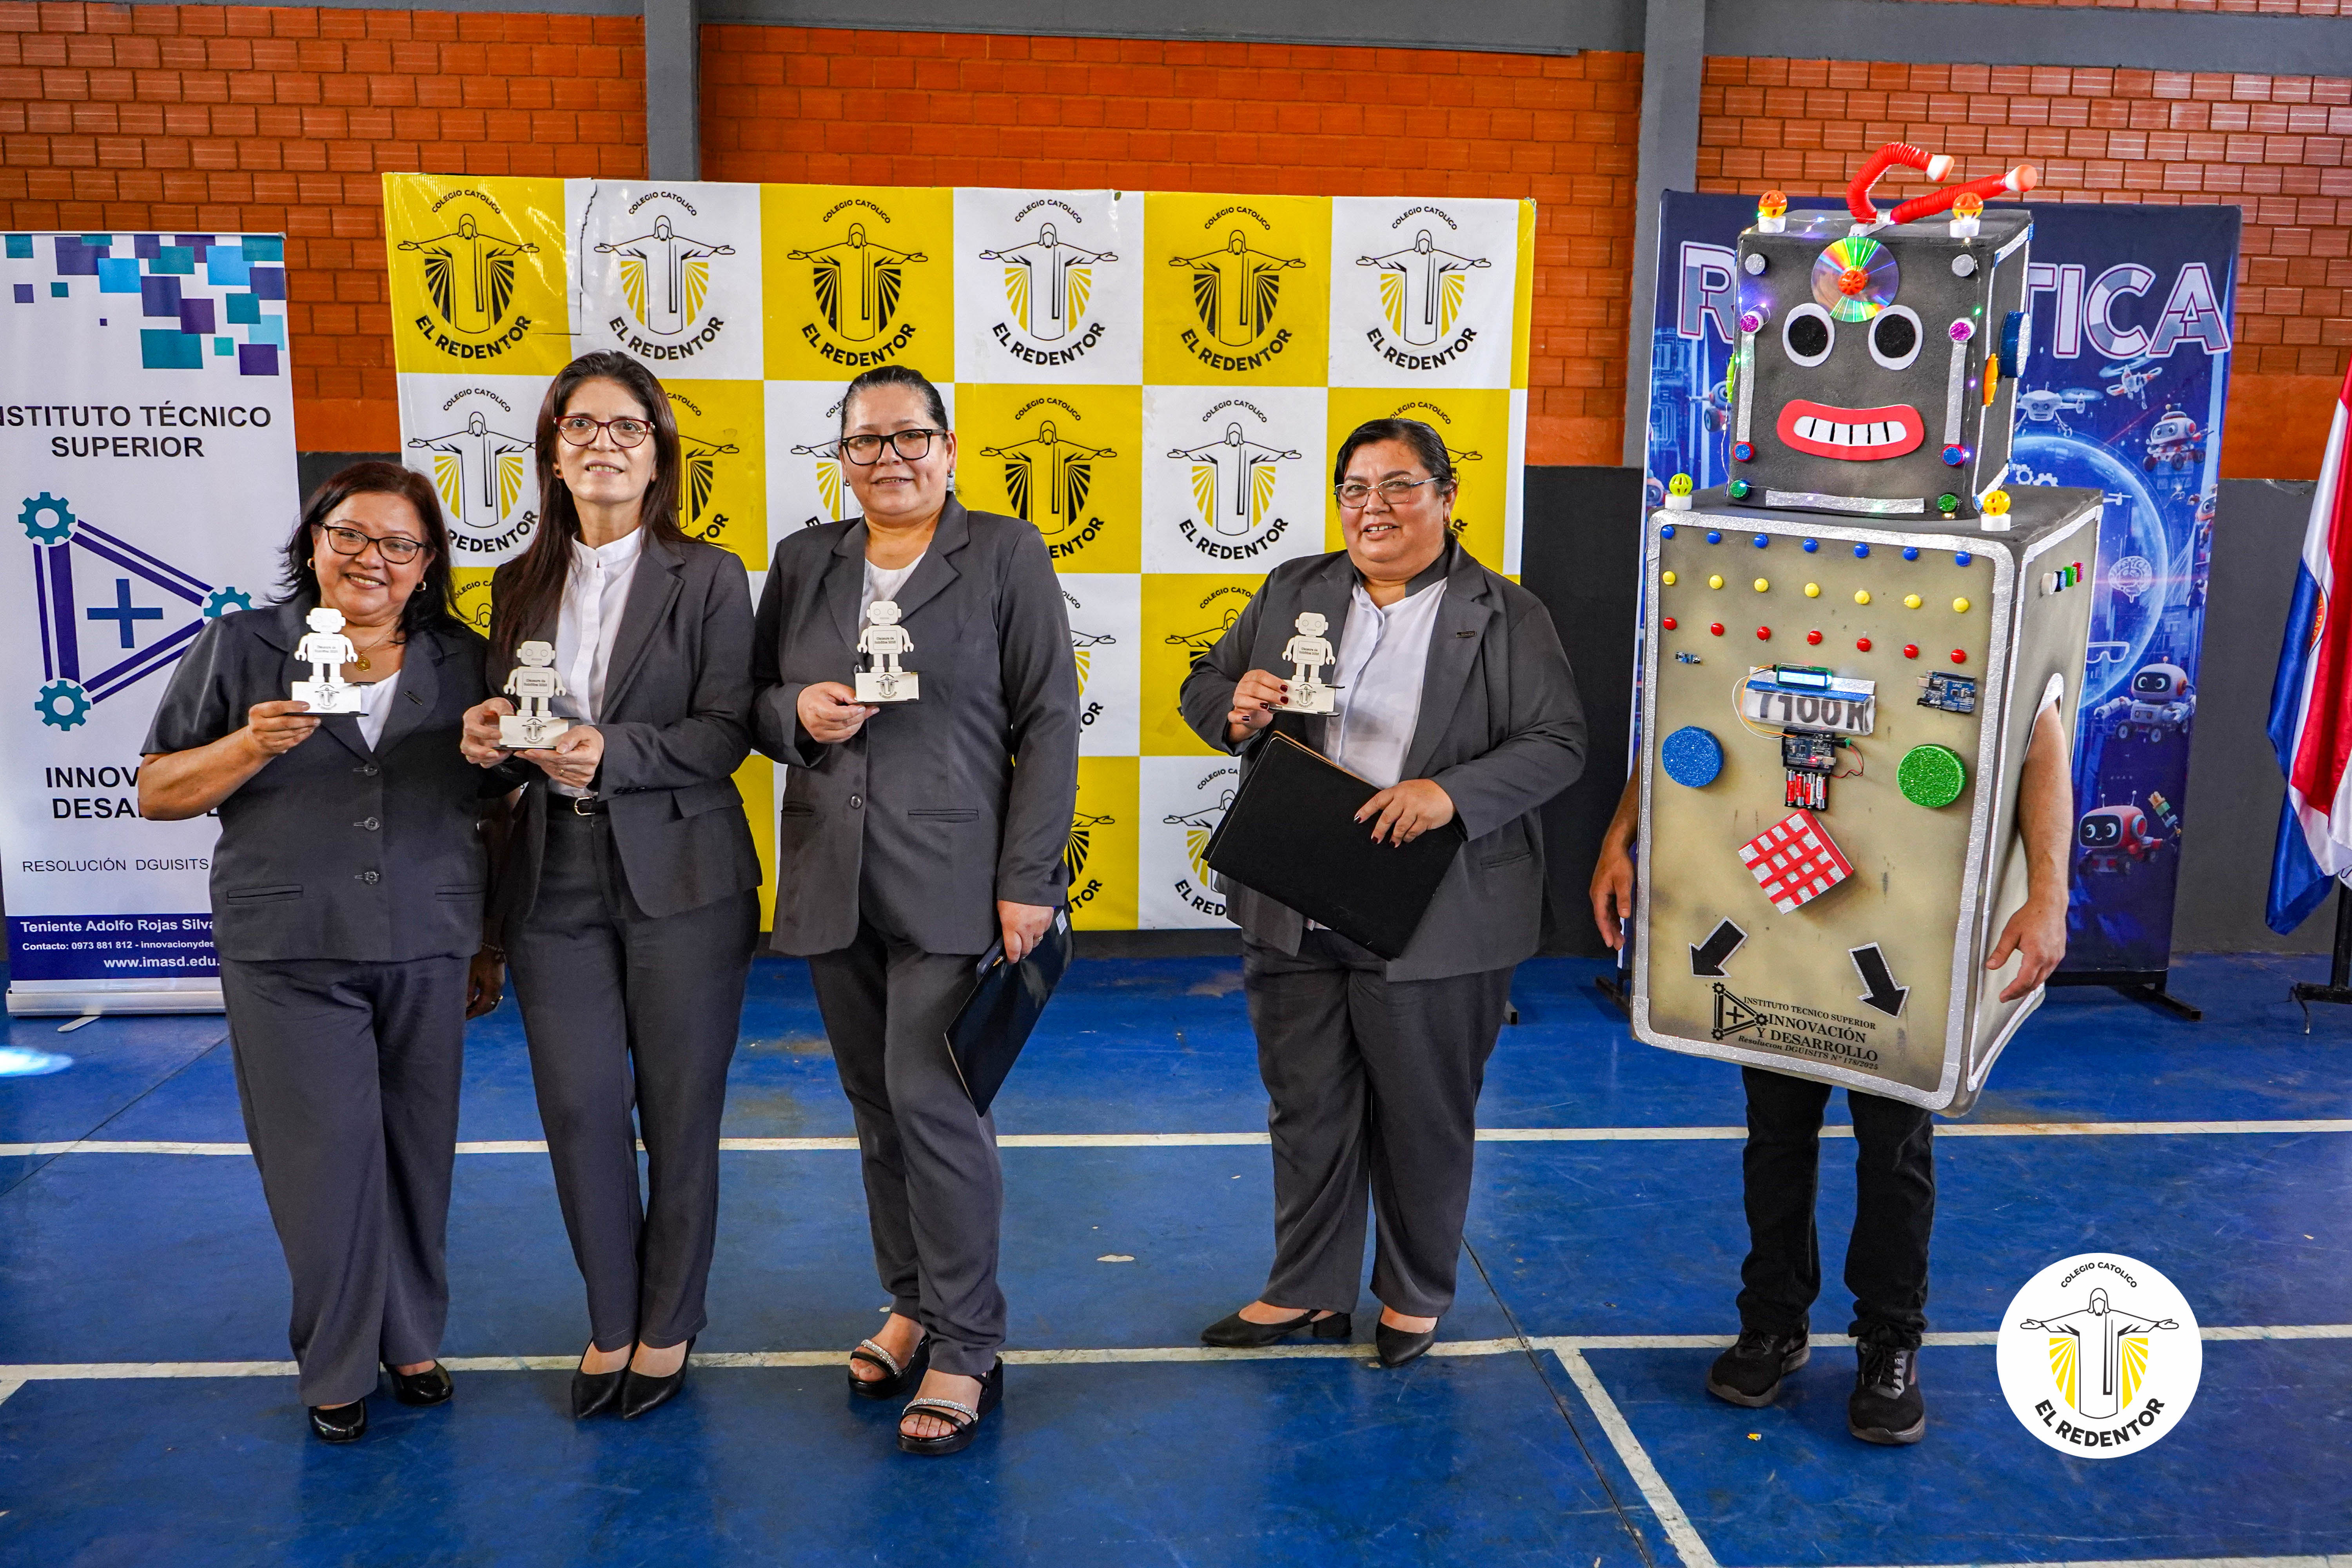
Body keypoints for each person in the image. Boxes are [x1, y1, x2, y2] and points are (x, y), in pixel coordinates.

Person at [1178, 417, 1587, 1368]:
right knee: (1306, 1101)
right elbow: (1207, 683)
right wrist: (1232, 708)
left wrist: (1450, 793)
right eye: (1356, 488)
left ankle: (1414, 1290)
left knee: (1423, 1109)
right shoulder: (1296, 587)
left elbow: (1558, 743)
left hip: (1436, 903)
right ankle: (1307, 1289)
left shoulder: (1508, 613)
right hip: (1296, 892)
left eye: (1401, 486)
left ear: (1448, 498)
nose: (1376, 508)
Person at [138, 462, 507, 1443]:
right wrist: (249, 746)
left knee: (418, 1152)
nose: (371, 559)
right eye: (351, 535)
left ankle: (412, 1336)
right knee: (324, 1162)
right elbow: (159, 788)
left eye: (399, 544)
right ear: (313, 539)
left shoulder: (465, 658)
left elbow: (498, 805)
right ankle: (337, 1360)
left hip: (429, 937)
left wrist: (491, 937)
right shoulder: (243, 644)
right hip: (289, 945)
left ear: (427, 563)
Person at [1587, 699, 2072, 1444]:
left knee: (1894, 1145)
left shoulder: (1970, 592)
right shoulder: (1759, 591)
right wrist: (1619, 838)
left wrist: (2048, 893)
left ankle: (1890, 1340)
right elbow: (1679, 716)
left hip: (1905, 906)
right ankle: (1773, 1324)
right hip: (1776, 913)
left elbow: (2041, 731)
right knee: (1775, 1135)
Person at [751, 364, 1079, 1455]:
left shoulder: (1006, 553)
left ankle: (969, 1343)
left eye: (910, 438)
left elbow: (1051, 720)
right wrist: (794, 710)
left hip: (957, 878)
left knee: (933, 1105)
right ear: (840, 456)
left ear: (948, 448)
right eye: (866, 441)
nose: (888, 458)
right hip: (832, 876)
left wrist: (1030, 877)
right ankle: (912, 1301)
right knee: (874, 1107)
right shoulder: (805, 561)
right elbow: (750, 702)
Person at [458, 352, 761, 1422]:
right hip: (555, 877)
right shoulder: (513, 584)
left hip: (683, 874)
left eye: (626, 427)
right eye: (579, 426)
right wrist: (487, 738)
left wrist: (613, 753)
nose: (602, 444)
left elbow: (726, 732)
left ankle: (669, 1322)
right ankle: (611, 1315)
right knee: (581, 1107)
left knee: (679, 1112)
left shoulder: (713, 576)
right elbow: (501, 736)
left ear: (658, 450)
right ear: (550, 452)